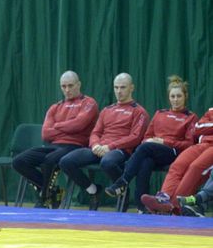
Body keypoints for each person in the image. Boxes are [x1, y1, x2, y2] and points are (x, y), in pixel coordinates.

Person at [105, 76, 197, 213]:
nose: (175, 100)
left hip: (174, 153)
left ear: (185, 97)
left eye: (179, 96)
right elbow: (147, 136)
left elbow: (189, 144)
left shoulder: (191, 117)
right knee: (145, 161)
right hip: (152, 151)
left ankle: (123, 181)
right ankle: (142, 207)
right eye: (172, 96)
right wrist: (150, 142)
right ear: (169, 97)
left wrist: (163, 142)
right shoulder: (160, 113)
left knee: (145, 148)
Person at [58, 73, 149, 210]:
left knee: (107, 162)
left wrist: (110, 147)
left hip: (120, 150)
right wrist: (95, 145)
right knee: (65, 162)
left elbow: (135, 137)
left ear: (132, 88)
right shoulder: (107, 110)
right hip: (99, 148)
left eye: (123, 87)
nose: (119, 91)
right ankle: (93, 190)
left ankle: (122, 188)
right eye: (116, 87)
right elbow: (95, 132)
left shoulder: (139, 111)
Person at [11, 71, 98, 208]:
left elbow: (79, 124)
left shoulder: (89, 103)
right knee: (18, 161)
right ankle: (53, 192)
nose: (67, 90)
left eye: (70, 86)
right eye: (63, 86)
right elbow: (46, 134)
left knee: (50, 159)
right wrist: (69, 126)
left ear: (79, 85)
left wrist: (57, 126)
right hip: (53, 146)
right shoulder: (55, 107)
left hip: (75, 147)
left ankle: (44, 198)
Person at [141, 107, 213, 215]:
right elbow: (198, 128)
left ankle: (175, 206)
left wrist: (208, 127)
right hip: (203, 144)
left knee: (195, 167)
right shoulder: (211, 110)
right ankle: (163, 199)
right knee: (178, 165)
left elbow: (203, 127)